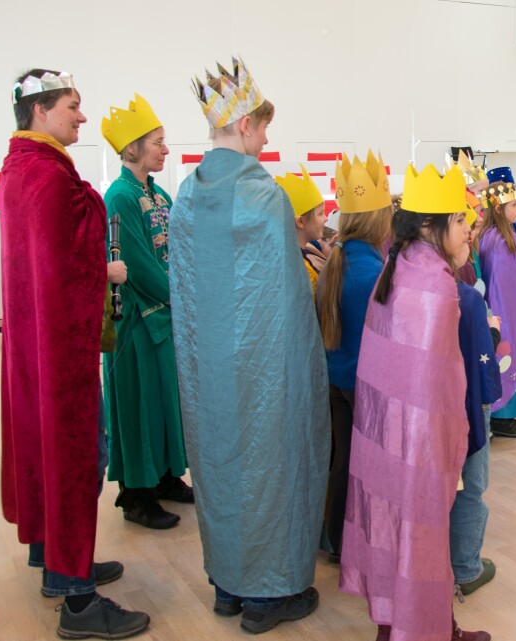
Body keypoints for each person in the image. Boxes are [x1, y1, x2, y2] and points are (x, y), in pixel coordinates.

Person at [169, 58, 329, 634]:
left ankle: (228, 586)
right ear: (241, 126)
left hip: (207, 369)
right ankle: (269, 595)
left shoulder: (187, 194)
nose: (266, 137)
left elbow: (186, 290)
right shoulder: (262, 194)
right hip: (262, 368)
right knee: (271, 464)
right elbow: (285, 301)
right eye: (261, 126)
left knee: (218, 464)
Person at [0, 68, 150, 639]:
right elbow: (63, 270)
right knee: (75, 458)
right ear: (41, 110)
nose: (82, 117)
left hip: (37, 345)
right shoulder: (46, 178)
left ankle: (57, 565)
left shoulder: (24, 169)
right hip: (60, 352)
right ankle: (78, 602)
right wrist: (106, 269)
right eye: (73, 105)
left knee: (48, 452)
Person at [340, 163, 490, 641]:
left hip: (385, 439)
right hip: (416, 443)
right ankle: (423, 631)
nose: (469, 228)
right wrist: (448, 447)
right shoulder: (436, 287)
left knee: (396, 533)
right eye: (461, 220)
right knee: (420, 536)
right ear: (431, 225)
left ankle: (406, 624)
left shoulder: (398, 264)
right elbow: (437, 388)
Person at [100, 93, 192, 531]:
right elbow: (137, 266)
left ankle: (165, 475)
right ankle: (137, 494)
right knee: (139, 406)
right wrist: (186, 294)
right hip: (137, 323)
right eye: (158, 141)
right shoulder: (119, 195)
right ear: (133, 147)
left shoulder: (158, 194)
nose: (165, 150)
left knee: (166, 403)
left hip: (166, 317)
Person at [315, 150, 393, 561]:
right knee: (367, 468)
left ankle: (336, 539)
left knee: (343, 461)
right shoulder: (372, 274)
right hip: (364, 383)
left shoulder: (339, 263)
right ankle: (361, 542)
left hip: (338, 379)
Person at [449, 209, 503, 598]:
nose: (470, 232)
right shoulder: (463, 299)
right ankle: (466, 568)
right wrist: (492, 329)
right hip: (465, 405)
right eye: (459, 224)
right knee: (470, 485)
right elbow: (482, 375)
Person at [479, 169, 516, 439]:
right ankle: (502, 416)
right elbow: (500, 286)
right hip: (505, 315)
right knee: (506, 359)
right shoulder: (498, 241)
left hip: (514, 313)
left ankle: (509, 414)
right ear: (498, 209)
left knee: (513, 359)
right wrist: (508, 317)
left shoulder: (504, 236)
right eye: (513, 206)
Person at [275, 164, 329, 295]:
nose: (326, 218)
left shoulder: (293, 257)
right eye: (320, 214)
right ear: (300, 222)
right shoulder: (299, 271)